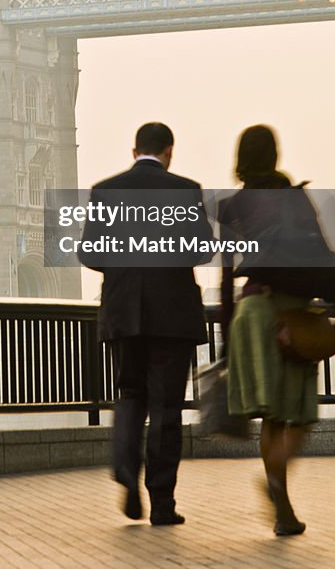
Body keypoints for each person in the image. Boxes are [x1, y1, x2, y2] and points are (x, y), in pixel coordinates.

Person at [218, 125, 335, 538]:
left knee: (272, 418)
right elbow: (322, 255)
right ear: (275, 156)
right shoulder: (295, 198)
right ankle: (278, 490)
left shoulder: (232, 207)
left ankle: (283, 507)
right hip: (292, 316)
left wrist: (226, 339)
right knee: (300, 415)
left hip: (251, 314)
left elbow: (226, 277)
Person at [80, 122, 214, 526]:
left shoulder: (106, 190)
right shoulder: (186, 189)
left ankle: (125, 467)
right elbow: (203, 250)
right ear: (169, 151)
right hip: (173, 314)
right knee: (166, 407)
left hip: (125, 311)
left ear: (134, 151)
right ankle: (162, 503)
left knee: (130, 393)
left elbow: (90, 252)